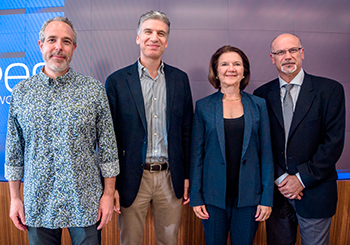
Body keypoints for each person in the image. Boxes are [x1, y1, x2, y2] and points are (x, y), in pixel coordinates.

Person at [5, 16, 119, 245]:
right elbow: (14, 152)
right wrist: (15, 198)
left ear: (74, 47)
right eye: (52, 40)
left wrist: (108, 195)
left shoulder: (93, 90)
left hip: (85, 201)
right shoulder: (21, 93)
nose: (59, 47)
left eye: (66, 41)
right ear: (41, 45)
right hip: (38, 201)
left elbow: (108, 149)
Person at [105, 10, 193, 245]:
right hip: (132, 177)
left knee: (169, 241)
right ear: (138, 37)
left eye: (161, 33)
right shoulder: (116, 81)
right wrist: (110, 185)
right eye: (148, 32)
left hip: (170, 177)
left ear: (166, 41)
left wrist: (186, 176)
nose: (154, 37)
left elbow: (187, 131)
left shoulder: (180, 79)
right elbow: (107, 139)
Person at [254, 33, 345, 245]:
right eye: (281, 52)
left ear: (302, 53)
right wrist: (281, 179)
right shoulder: (261, 95)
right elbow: (260, 144)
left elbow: (333, 143)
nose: (287, 56)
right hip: (276, 195)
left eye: (293, 50)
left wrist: (301, 179)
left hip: (315, 192)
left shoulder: (330, 90)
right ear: (272, 58)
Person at [190, 45, 274, 245]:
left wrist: (266, 198)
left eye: (237, 64)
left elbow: (266, 155)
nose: (231, 68)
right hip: (212, 197)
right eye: (225, 64)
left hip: (249, 198)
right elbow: (197, 156)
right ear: (216, 71)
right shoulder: (204, 106)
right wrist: (196, 197)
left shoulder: (258, 105)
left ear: (244, 70)